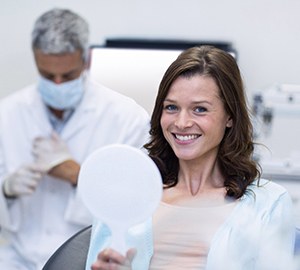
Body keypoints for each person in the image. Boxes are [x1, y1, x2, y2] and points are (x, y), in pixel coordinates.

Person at [85, 45, 296, 270]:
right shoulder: (125, 196)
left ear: (230, 117)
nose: (182, 123)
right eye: (172, 107)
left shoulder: (269, 205)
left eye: (200, 110)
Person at [0, 8, 150, 270]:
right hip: (17, 260)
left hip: (89, 257)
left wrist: (77, 174)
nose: (57, 84)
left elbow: (137, 204)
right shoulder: (7, 114)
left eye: (67, 76)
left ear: (86, 60)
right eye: (48, 76)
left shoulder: (128, 118)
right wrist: (6, 190)